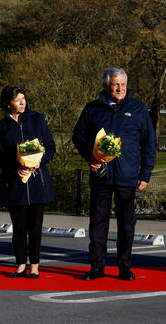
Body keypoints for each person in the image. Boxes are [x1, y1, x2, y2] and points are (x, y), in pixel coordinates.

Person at [73, 67, 155, 281]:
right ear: (105, 86)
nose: (120, 88)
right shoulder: (92, 109)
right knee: (98, 224)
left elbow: (149, 144)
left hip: (128, 177)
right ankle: (97, 267)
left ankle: (124, 266)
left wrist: (145, 174)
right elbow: (78, 136)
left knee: (126, 225)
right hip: (101, 175)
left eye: (123, 84)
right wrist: (90, 157)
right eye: (115, 85)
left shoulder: (138, 109)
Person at [0, 85, 56, 279]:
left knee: (35, 227)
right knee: (19, 228)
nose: (22, 102)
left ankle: (35, 265)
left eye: (23, 98)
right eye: (17, 99)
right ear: (8, 103)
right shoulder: (2, 126)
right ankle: (20, 264)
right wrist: (15, 167)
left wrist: (38, 162)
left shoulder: (37, 119)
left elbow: (50, 147)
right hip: (14, 184)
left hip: (37, 183)